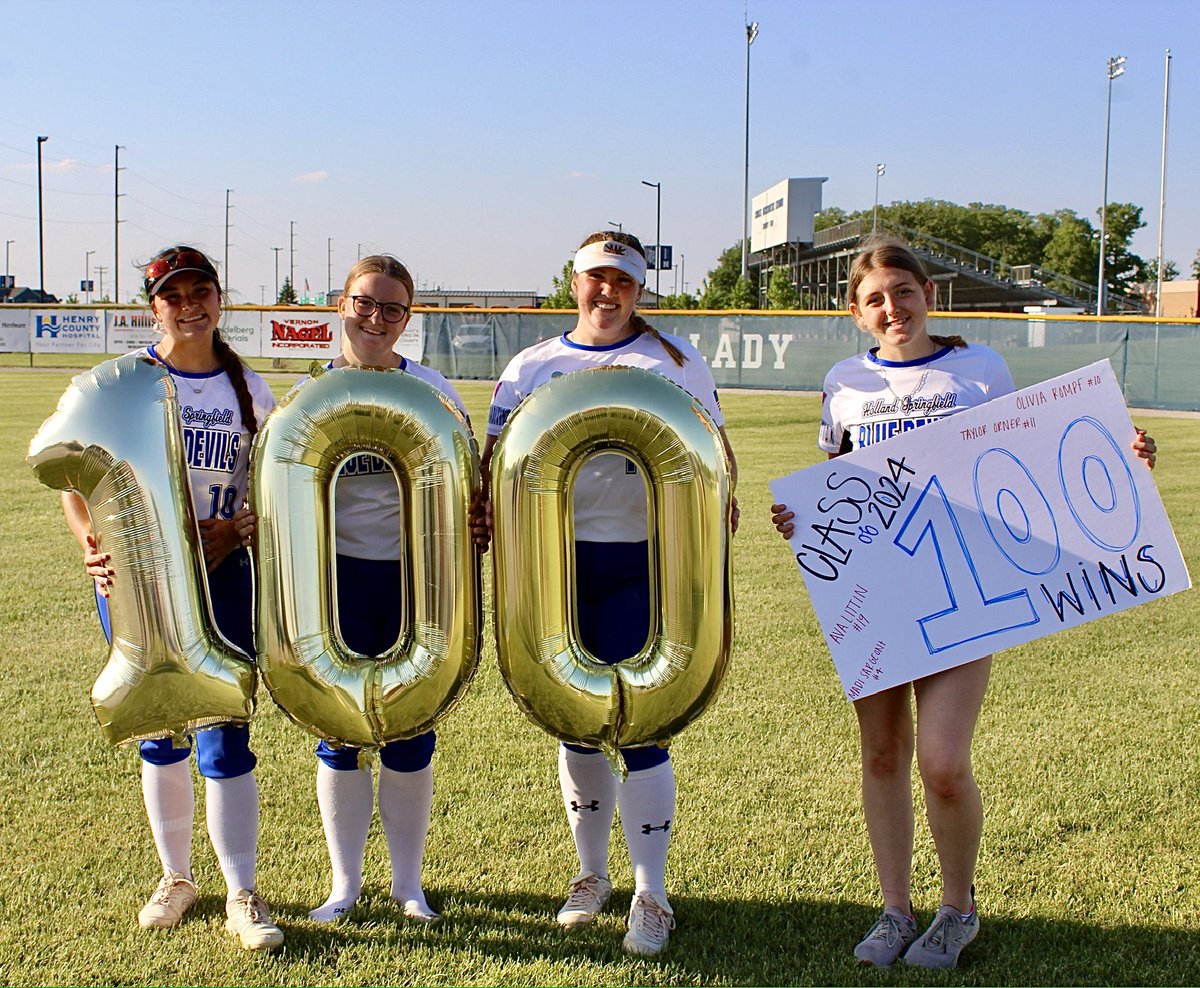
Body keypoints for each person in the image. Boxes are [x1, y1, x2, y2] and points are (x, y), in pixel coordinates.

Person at [769, 233, 1157, 969]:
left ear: (929, 296)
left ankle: (957, 909)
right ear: (856, 313)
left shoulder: (978, 370)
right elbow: (840, 486)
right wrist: (804, 519)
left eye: (904, 292)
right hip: (877, 593)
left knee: (942, 761)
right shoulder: (844, 382)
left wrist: (1126, 456)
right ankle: (893, 910)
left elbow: (1036, 458)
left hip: (961, 591)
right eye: (875, 300)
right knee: (883, 755)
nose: (893, 309)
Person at [481, 231, 738, 956]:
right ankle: (590, 875)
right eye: (596, 277)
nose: (607, 291)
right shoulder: (534, 366)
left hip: (644, 563)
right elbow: (493, 466)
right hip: (556, 567)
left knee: (645, 721)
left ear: (637, 289)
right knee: (576, 717)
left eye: (620, 281)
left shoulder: (675, 363)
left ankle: (651, 892)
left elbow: (717, 459)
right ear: (574, 283)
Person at [61, 246, 283, 950]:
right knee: (159, 728)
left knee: (224, 730)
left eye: (201, 291)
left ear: (220, 298)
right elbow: (75, 479)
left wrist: (245, 523)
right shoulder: (125, 382)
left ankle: (242, 892)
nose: (189, 305)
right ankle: (176, 877)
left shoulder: (249, 387)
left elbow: (270, 490)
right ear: (153, 305)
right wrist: (87, 540)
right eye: (173, 294)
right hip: (139, 583)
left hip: (222, 575)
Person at [302, 254, 474, 926]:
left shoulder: (431, 389)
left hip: (413, 580)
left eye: (392, 308)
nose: (376, 318)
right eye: (365, 303)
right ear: (340, 304)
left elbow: (468, 483)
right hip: (334, 580)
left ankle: (408, 884)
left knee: (410, 729)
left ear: (408, 318)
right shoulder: (312, 396)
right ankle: (344, 885)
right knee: (338, 730)